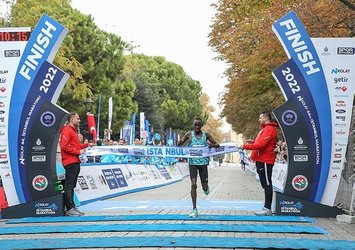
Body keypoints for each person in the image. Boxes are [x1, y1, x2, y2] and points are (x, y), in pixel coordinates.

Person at [178, 117, 220, 218]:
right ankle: (194, 209)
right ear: (193, 126)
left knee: (204, 187)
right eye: (195, 125)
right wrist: (180, 141)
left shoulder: (206, 135)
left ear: (201, 126)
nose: (197, 127)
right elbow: (179, 145)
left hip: (203, 164)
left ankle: (206, 188)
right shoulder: (189, 134)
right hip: (192, 163)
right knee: (193, 185)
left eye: (198, 125)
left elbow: (217, 145)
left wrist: (212, 145)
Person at [242, 111, 278, 215]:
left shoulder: (269, 129)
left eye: (260, 117)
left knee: (267, 184)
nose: (259, 119)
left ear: (266, 119)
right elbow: (259, 143)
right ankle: (266, 207)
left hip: (265, 160)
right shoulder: (264, 129)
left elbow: (261, 145)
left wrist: (245, 146)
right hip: (261, 160)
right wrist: (251, 143)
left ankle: (267, 208)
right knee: (264, 184)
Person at [60, 112, 89, 216]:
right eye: (77, 118)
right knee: (69, 185)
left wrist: (85, 145)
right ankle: (69, 208)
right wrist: (78, 152)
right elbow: (64, 146)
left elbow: (75, 147)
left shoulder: (72, 131)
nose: (79, 120)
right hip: (70, 162)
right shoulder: (67, 130)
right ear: (71, 119)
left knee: (72, 185)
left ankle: (72, 206)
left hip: (75, 161)